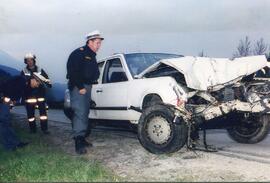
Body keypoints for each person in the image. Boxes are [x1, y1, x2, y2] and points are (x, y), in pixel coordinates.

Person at [66, 30, 103, 154]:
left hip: (87, 87)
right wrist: (80, 86)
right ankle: (78, 142)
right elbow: (72, 71)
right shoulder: (79, 53)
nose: (99, 45)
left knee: (84, 113)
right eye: (97, 43)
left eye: (100, 43)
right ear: (90, 42)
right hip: (79, 87)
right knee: (80, 113)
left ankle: (82, 138)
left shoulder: (91, 55)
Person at [21, 53, 51, 134]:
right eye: (27, 60)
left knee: (43, 115)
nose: (29, 61)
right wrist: (29, 81)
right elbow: (21, 83)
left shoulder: (40, 70)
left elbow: (48, 81)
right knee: (30, 115)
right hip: (29, 95)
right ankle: (33, 130)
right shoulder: (24, 71)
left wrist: (40, 82)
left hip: (40, 94)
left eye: (31, 60)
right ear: (25, 62)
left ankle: (44, 129)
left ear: (34, 60)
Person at [0, 76, 29, 151]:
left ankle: (15, 142)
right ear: (34, 80)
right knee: (3, 122)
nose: (37, 85)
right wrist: (5, 98)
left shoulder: (23, 83)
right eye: (38, 83)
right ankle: (8, 146)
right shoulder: (21, 80)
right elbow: (7, 87)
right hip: (3, 100)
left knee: (7, 122)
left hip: (5, 101)